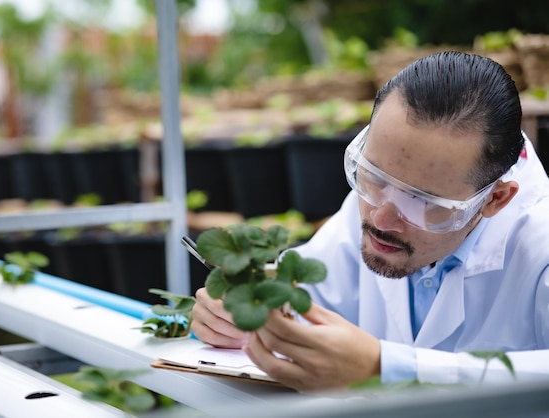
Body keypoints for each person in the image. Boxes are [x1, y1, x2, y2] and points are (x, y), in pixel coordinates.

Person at [191, 50, 549, 392]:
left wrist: (383, 370)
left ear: (494, 199)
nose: (381, 217)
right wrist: (239, 317)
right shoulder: (376, 203)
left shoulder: (539, 247)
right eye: (373, 175)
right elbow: (307, 298)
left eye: (422, 201)